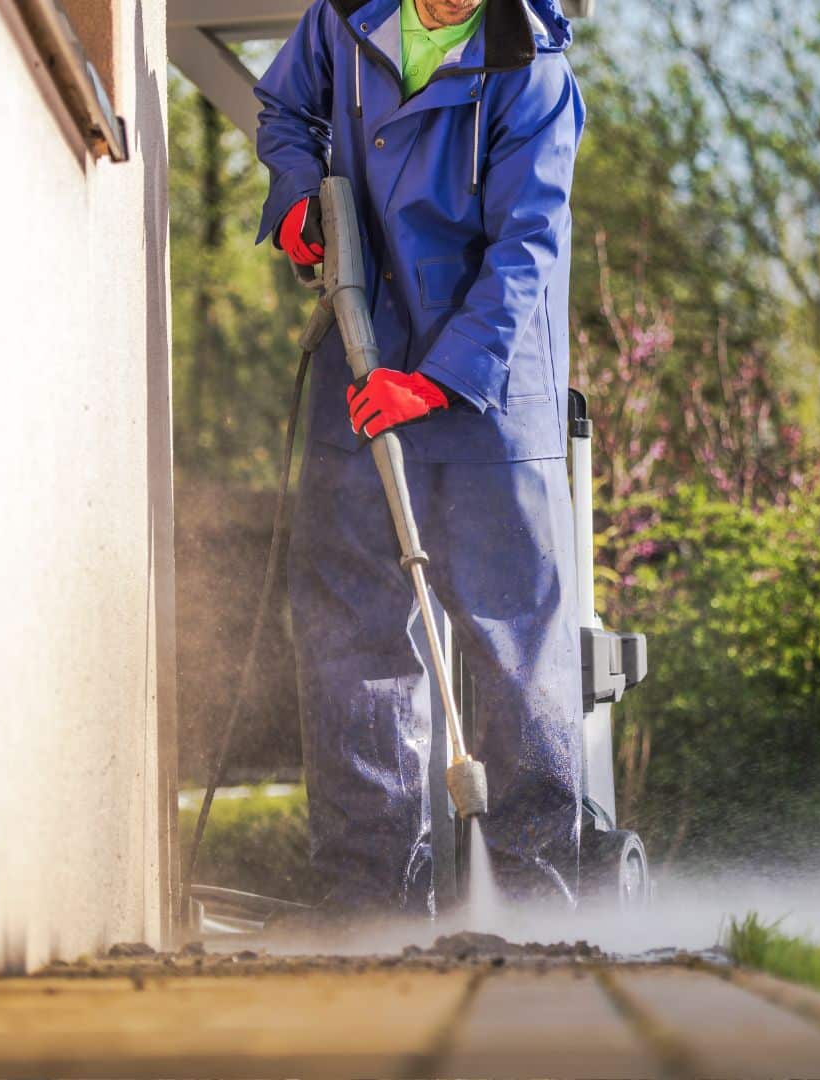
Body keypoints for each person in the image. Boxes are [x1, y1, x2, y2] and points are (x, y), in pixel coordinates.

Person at [252, 0, 587, 918]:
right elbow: (286, 113)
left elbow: (527, 249)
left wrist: (440, 379)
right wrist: (293, 206)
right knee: (351, 635)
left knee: (513, 637)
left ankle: (538, 894)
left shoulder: (533, 72)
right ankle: (369, 900)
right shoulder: (344, 20)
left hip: (483, 393)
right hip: (362, 367)